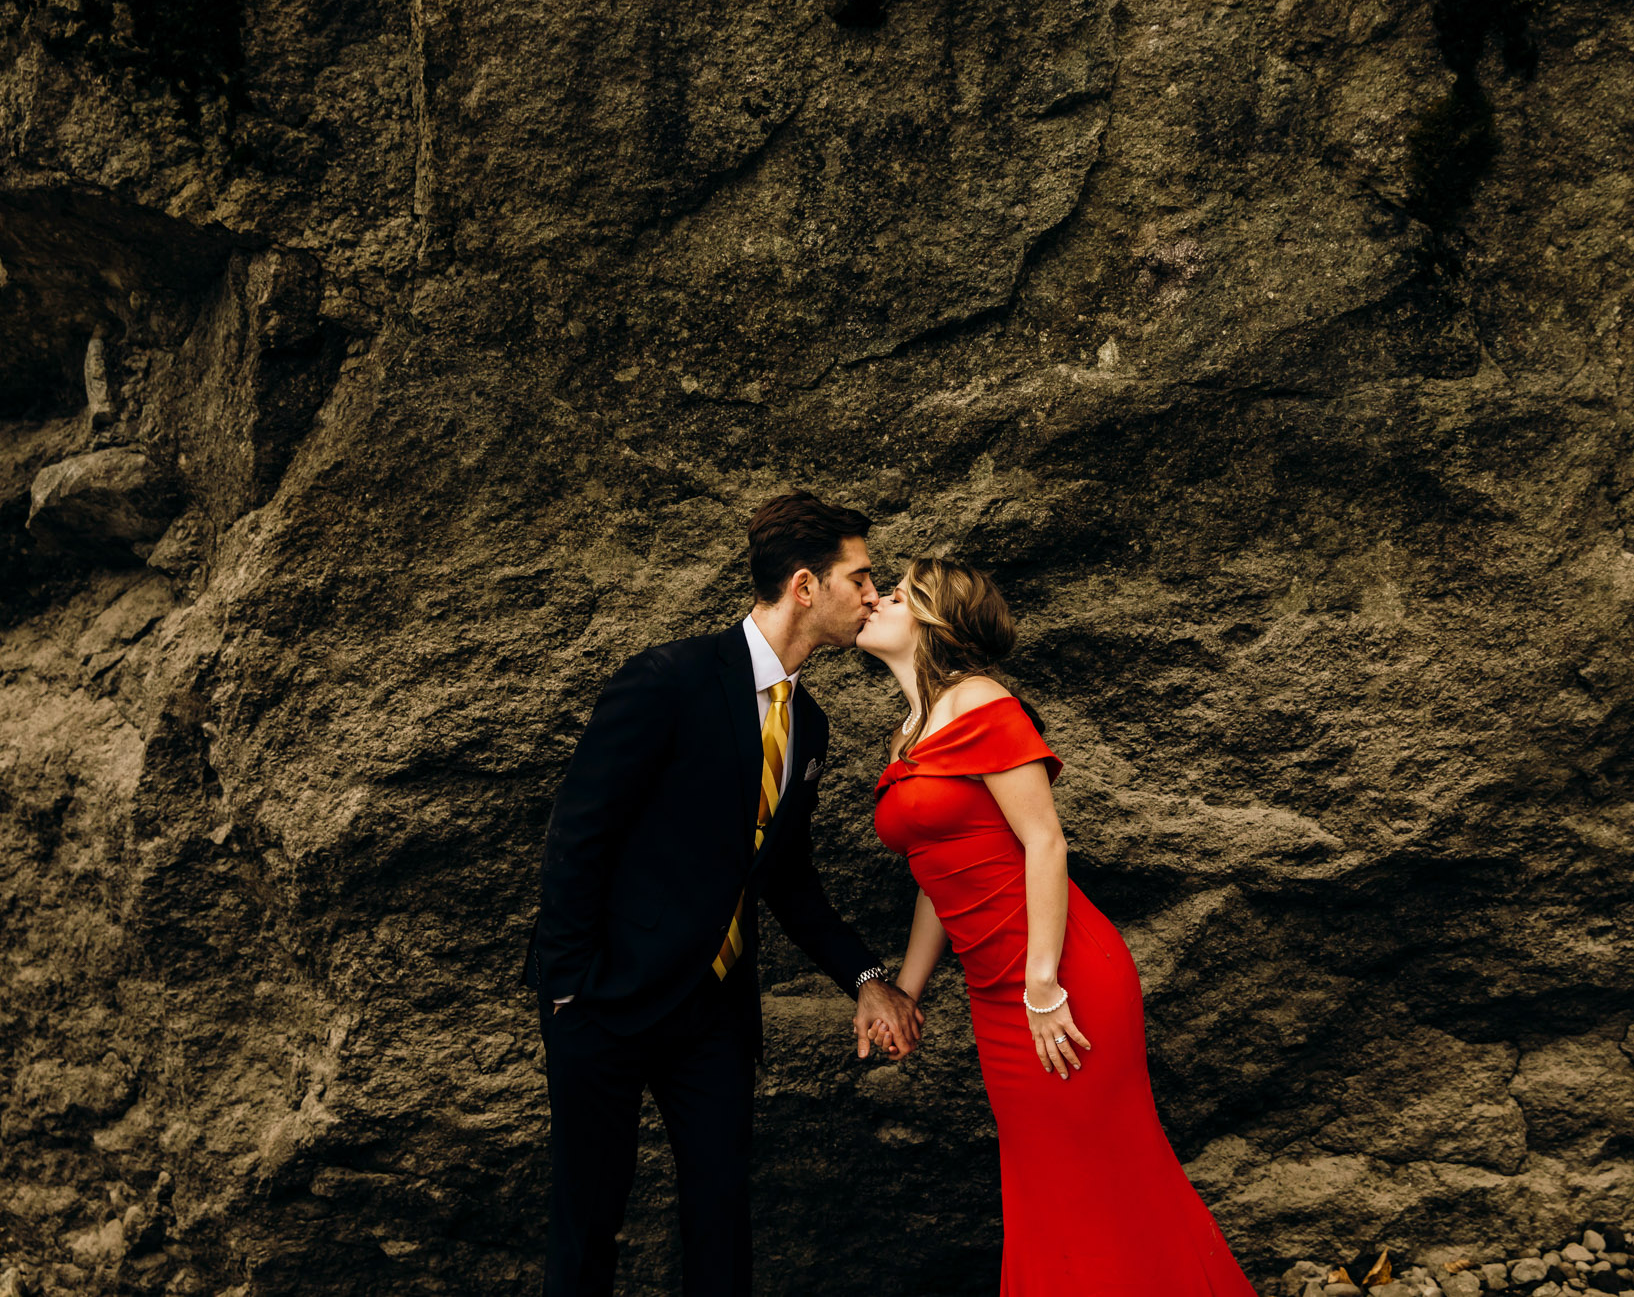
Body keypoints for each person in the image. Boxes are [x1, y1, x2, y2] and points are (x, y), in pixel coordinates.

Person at [522, 491, 926, 1297]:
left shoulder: (806, 728)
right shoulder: (668, 678)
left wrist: (866, 975)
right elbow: (579, 832)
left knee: (722, 1218)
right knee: (588, 1222)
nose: (874, 595)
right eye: (862, 578)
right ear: (807, 586)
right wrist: (569, 986)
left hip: (712, 1018)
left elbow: (786, 878)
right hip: (604, 999)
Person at [857, 556, 1258, 1296]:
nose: (873, 600)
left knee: (1102, 1178)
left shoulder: (982, 702)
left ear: (936, 618)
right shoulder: (908, 733)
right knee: (1047, 1185)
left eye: (896, 593)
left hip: (1062, 978)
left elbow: (1045, 841)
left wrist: (1041, 984)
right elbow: (939, 876)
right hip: (997, 996)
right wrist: (908, 991)